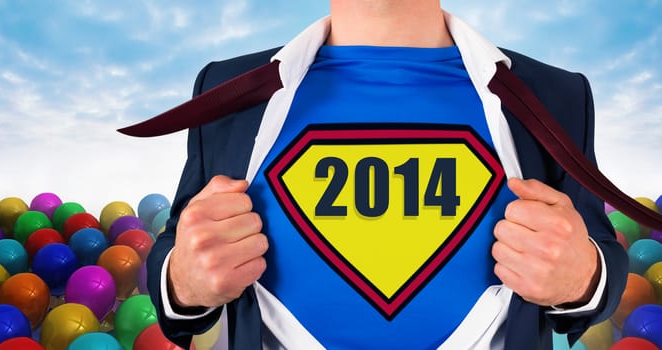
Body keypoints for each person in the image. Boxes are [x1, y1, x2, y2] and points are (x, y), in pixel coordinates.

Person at [145, 1, 628, 349]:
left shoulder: (556, 95)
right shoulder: (225, 91)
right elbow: (176, 256)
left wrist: (582, 277)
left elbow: (600, 261)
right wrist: (183, 280)